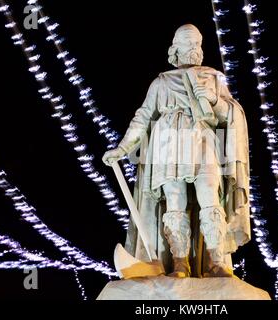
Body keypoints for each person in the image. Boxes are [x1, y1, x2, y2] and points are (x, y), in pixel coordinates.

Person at [103, 24, 251, 278]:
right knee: (175, 203)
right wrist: (123, 147)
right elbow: (143, 117)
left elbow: (232, 115)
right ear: (176, 48)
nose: (194, 48)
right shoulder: (161, 82)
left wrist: (214, 101)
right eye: (188, 42)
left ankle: (216, 263)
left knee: (210, 198)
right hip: (167, 146)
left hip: (204, 143)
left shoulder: (214, 78)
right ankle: (181, 263)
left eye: (198, 43)